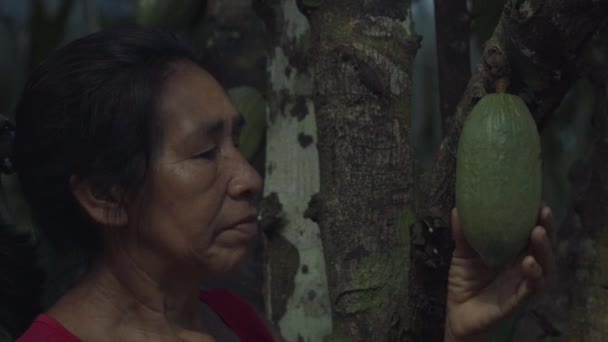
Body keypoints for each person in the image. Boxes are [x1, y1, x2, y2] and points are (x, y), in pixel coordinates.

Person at [0, 27, 553, 341]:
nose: (247, 178)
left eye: (237, 144)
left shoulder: (233, 323)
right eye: (203, 152)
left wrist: (451, 328)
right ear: (104, 195)